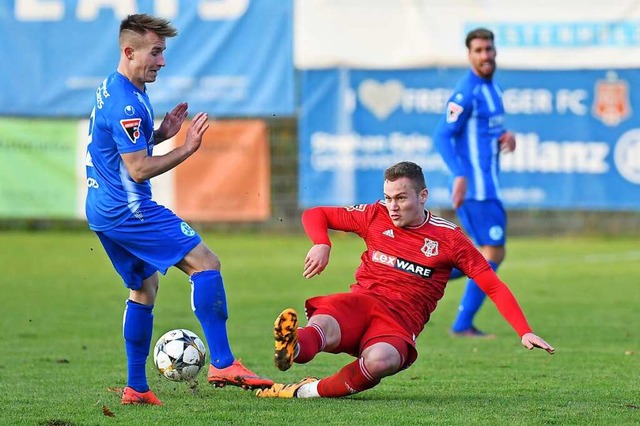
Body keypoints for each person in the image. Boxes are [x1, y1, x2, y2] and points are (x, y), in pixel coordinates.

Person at [85, 14, 272, 406]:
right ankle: (223, 362)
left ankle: (136, 387)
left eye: (163, 53)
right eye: (155, 52)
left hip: (102, 209)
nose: (162, 62)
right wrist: (185, 148)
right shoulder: (127, 102)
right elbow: (137, 168)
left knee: (144, 287)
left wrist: (159, 134)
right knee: (206, 263)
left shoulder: (117, 86)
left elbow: (122, 144)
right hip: (128, 207)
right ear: (129, 51)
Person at [255, 161, 554, 399]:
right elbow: (315, 214)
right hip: (360, 303)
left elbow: (492, 284)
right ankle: (292, 348)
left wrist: (524, 331)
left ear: (423, 196)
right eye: (388, 197)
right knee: (324, 324)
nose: (392, 206)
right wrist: (322, 242)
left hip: (398, 323)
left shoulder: (449, 239)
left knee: (380, 361)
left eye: (400, 198)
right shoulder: (375, 215)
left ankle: (307, 390)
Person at [433, 28, 517, 337]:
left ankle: (426, 272)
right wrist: (459, 174)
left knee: (487, 253)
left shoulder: (493, 90)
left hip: (489, 186)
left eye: (489, 49)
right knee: (491, 252)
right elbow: (442, 135)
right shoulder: (466, 91)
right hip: (476, 190)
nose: (485, 55)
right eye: (479, 50)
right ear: (469, 55)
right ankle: (461, 323)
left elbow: (486, 133)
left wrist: (505, 137)